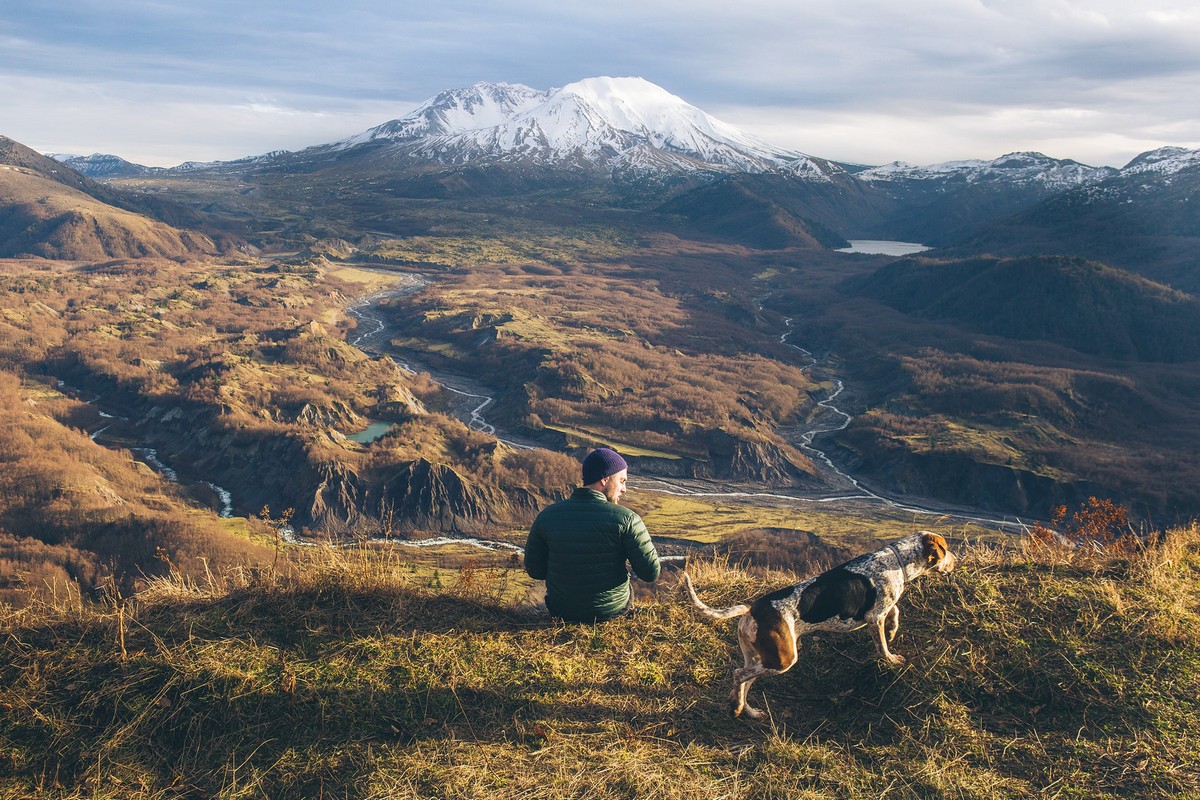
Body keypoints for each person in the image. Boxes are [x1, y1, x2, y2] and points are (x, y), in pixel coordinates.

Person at [524, 447, 661, 622]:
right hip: (611, 611)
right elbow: (650, 573)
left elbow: (535, 571)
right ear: (605, 479)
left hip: (561, 611)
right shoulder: (628, 519)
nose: (624, 489)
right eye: (622, 481)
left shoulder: (547, 516)